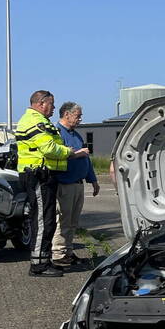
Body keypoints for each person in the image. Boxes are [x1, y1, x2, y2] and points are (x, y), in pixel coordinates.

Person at [15, 90, 89, 278]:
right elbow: (48, 148)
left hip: (45, 175)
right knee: (42, 221)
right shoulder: (34, 121)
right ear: (41, 103)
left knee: (47, 220)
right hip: (38, 174)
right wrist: (68, 152)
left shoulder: (42, 121)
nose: (54, 108)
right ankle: (39, 265)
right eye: (52, 104)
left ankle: (44, 260)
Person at [51, 102, 99, 268]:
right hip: (65, 183)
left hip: (77, 184)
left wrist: (93, 180)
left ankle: (68, 252)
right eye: (78, 115)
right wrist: (78, 154)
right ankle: (58, 253)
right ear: (66, 115)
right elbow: (57, 155)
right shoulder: (57, 134)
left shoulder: (76, 135)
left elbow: (86, 159)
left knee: (72, 222)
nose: (80, 119)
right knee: (63, 220)